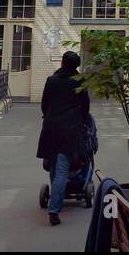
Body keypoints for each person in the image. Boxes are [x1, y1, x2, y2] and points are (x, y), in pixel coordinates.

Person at [36, 51, 90, 226]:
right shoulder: (79, 81)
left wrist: (50, 116)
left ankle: (55, 199)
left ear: (62, 63)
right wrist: (80, 121)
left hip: (50, 127)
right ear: (76, 65)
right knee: (61, 170)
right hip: (69, 129)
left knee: (53, 167)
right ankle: (54, 209)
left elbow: (44, 104)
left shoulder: (51, 80)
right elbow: (85, 106)